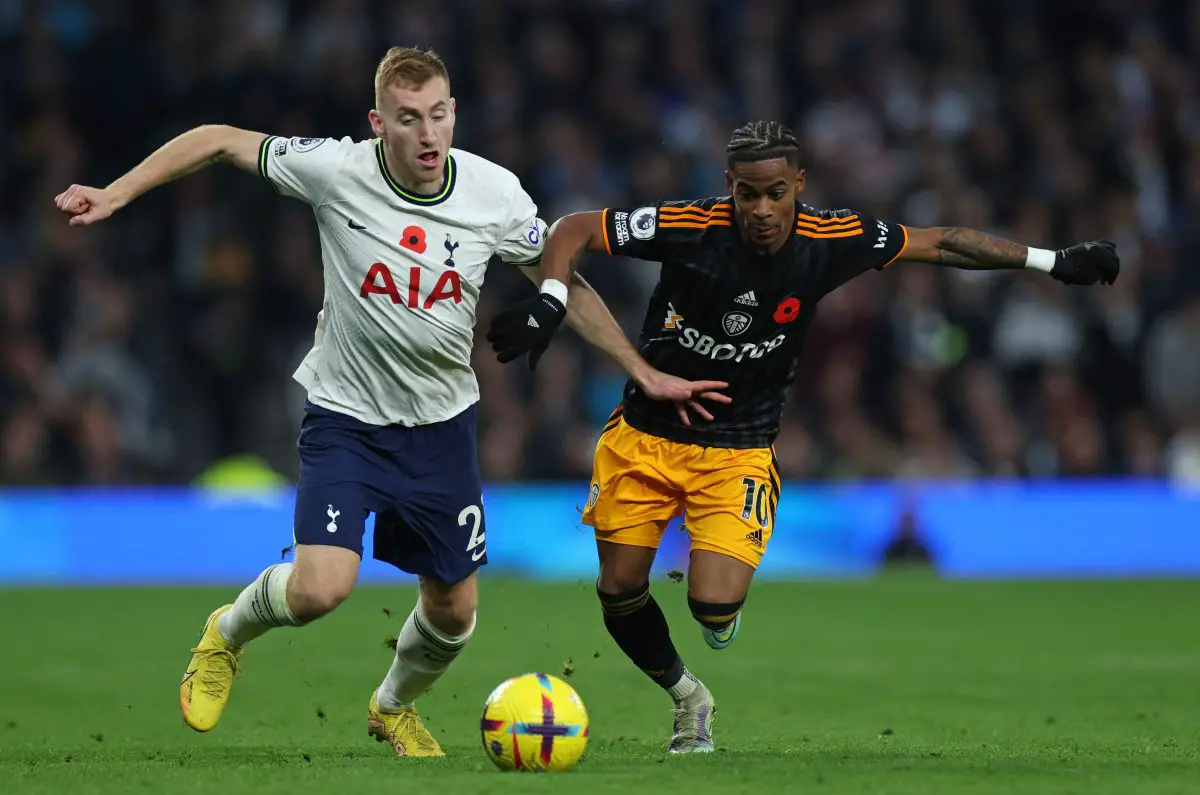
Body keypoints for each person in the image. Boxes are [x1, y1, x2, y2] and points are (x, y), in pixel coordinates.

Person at [54, 47, 729, 757]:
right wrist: (118, 192)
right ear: (379, 123)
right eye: (409, 120)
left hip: (441, 426)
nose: (429, 135)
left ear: (454, 113)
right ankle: (225, 634)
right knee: (320, 590)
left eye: (439, 115)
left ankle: (390, 706)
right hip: (346, 416)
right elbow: (218, 140)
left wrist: (641, 369)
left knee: (455, 610)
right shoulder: (337, 171)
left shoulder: (493, 194)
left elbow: (564, 279)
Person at [486, 120, 1119, 753]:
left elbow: (942, 244)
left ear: (799, 186)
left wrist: (1052, 261)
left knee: (713, 606)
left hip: (738, 448)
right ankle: (688, 698)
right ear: (729, 187)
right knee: (620, 590)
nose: (763, 210)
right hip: (644, 437)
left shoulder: (832, 237)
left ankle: (721, 599)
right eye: (748, 194)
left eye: (777, 193)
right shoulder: (689, 226)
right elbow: (573, 229)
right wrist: (548, 300)